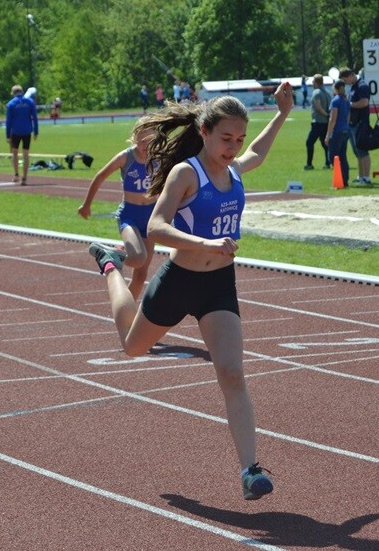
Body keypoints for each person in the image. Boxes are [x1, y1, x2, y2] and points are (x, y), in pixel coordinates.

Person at [87, 83, 294, 501]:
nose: (234, 147)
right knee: (132, 348)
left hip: (219, 286)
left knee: (232, 374)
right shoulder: (187, 173)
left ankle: (250, 470)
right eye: (226, 138)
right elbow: (156, 227)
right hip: (180, 282)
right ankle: (110, 266)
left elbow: (258, 152)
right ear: (204, 131)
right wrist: (205, 244)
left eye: (238, 139)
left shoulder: (234, 169)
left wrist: (282, 114)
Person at [77, 121, 158, 300]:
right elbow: (100, 176)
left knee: (141, 274)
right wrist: (86, 205)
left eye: (151, 140)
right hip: (130, 216)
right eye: (142, 141)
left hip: (151, 217)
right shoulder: (125, 157)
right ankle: (111, 254)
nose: (146, 145)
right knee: (138, 258)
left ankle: (126, 311)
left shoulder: (160, 158)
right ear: (134, 139)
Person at [339, 68, 372, 185]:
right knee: (357, 153)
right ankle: (361, 176)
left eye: (345, 79)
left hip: (361, 123)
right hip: (353, 123)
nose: (345, 82)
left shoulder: (362, 86)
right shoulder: (353, 87)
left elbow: (364, 103)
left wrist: (349, 104)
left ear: (351, 75)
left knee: (363, 151)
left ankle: (366, 177)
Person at [6, 84, 38, 185]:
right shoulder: (30, 102)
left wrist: (7, 135)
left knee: (15, 153)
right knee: (26, 155)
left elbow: (8, 121)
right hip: (27, 131)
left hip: (15, 131)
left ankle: (16, 175)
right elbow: (35, 118)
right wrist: (36, 131)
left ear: (14, 93)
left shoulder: (11, 104)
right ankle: (24, 177)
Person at [325, 79, 351, 187]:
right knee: (343, 156)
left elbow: (333, 119)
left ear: (335, 89)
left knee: (333, 157)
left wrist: (327, 135)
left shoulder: (335, 101)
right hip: (345, 130)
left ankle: (338, 179)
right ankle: (345, 179)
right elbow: (348, 117)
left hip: (337, 131)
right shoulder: (346, 100)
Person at [305, 74, 330, 170]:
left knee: (309, 142)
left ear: (316, 82)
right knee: (325, 143)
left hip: (318, 121)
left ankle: (309, 164)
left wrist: (325, 114)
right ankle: (328, 162)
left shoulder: (316, 93)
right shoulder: (327, 92)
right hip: (326, 122)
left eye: (313, 81)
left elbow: (318, 107)